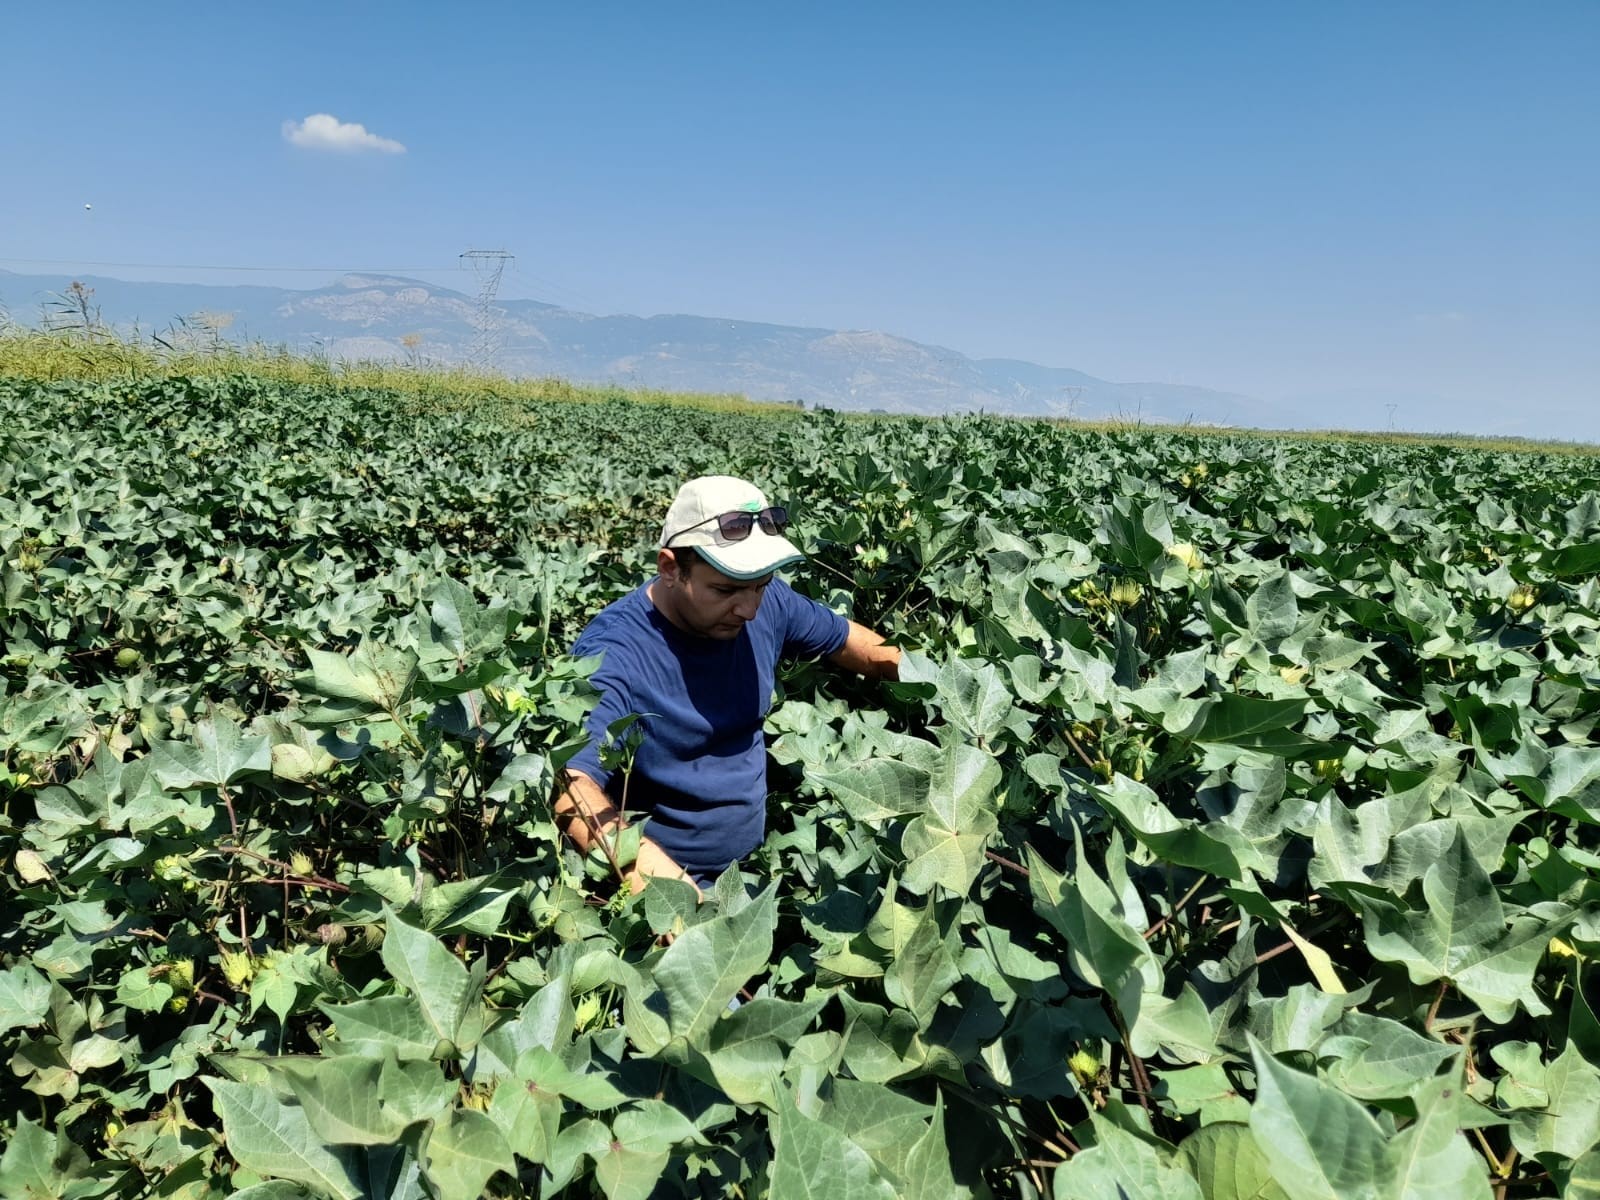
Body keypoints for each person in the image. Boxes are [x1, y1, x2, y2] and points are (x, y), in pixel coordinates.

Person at [557, 475, 900, 894]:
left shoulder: (764, 599)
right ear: (670, 568)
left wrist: (940, 680)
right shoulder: (614, 652)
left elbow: (856, 643)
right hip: (666, 889)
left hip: (759, 871)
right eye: (726, 590)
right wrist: (674, 900)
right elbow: (572, 789)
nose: (750, 609)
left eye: (761, 585)